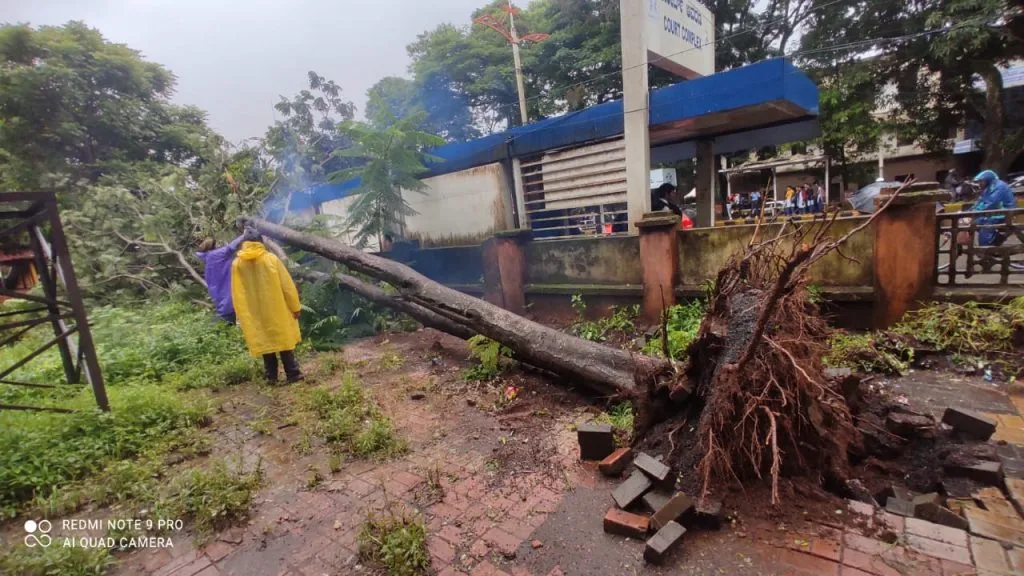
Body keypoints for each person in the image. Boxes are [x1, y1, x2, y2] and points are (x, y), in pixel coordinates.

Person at [231, 227, 304, 383]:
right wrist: (295, 307)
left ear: (244, 243)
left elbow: (237, 292)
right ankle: (293, 373)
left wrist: (241, 315)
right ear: (260, 242)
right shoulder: (271, 259)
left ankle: (271, 377)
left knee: (265, 342)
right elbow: (287, 286)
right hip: (277, 309)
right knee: (284, 341)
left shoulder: (237, 264)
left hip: (254, 312)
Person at [196, 233, 245, 323]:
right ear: (214, 245)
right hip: (228, 294)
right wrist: (245, 235)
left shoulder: (208, 257)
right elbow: (232, 246)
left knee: (224, 311)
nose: (220, 244)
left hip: (218, 294)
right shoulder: (217, 254)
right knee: (229, 312)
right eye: (218, 243)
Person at [967, 170, 1016, 247]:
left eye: (981, 181)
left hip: (1003, 213)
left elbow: (991, 203)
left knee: (985, 225)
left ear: (987, 179)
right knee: (973, 223)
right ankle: (992, 243)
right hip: (994, 212)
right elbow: (980, 201)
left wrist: (975, 212)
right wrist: (970, 211)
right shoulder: (988, 187)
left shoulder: (999, 186)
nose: (979, 183)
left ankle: (985, 248)